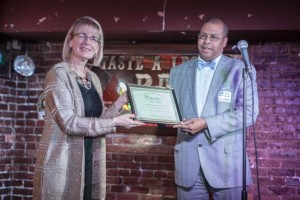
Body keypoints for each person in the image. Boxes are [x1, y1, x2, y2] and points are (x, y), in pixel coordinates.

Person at [32, 16, 144, 200]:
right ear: (70, 40)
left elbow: (98, 120)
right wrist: (116, 122)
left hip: (90, 159)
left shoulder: (93, 78)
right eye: (82, 35)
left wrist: (121, 101)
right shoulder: (58, 73)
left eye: (94, 38)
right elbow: (69, 123)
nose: (87, 42)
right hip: (63, 162)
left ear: (98, 47)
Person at [170, 17, 259, 199]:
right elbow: (171, 111)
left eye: (213, 37)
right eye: (202, 36)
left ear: (224, 42)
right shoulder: (177, 72)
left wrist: (206, 123)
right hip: (188, 164)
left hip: (227, 165)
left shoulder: (241, 69)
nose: (206, 41)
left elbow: (249, 113)